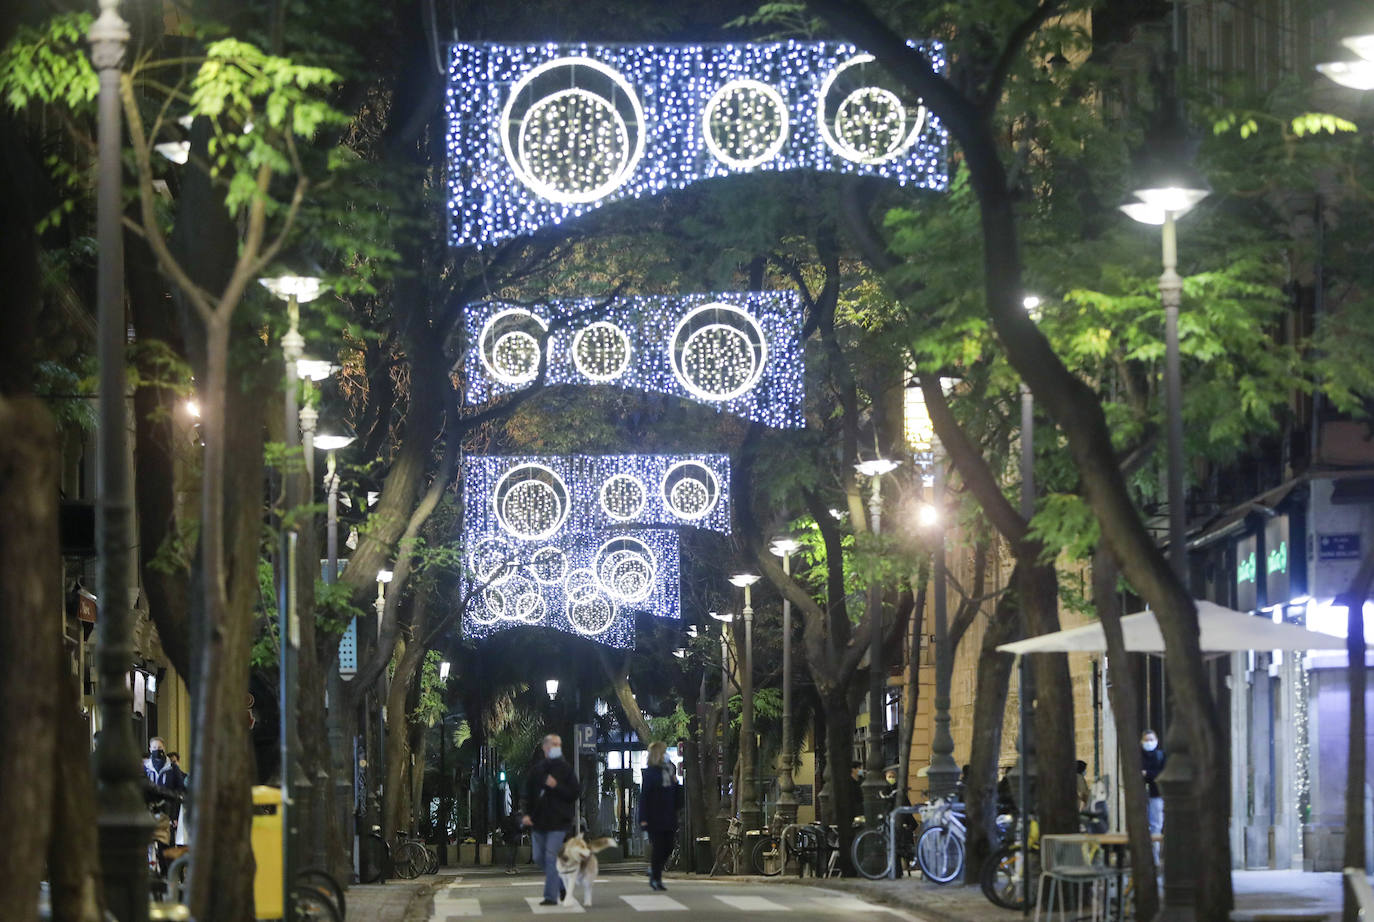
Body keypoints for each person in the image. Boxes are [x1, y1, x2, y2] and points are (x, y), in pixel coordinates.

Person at [521, 734, 579, 906]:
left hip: (559, 822)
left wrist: (556, 786)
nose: (557, 747)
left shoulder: (566, 769)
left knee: (550, 857)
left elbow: (574, 793)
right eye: (554, 744)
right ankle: (561, 884)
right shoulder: (537, 770)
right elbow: (527, 793)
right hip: (538, 821)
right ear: (545, 747)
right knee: (538, 857)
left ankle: (550, 896)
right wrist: (526, 814)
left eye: (558, 744)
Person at [638, 741, 683, 891]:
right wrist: (643, 818)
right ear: (658, 755)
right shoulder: (651, 773)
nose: (666, 756)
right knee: (658, 848)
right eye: (663, 753)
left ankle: (654, 870)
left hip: (669, 815)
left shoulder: (670, 772)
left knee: (669, 847)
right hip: (655, 817)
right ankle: (656, 878)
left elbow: (678, 797)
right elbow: (644, 796)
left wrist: (677, 783)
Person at [143, 737, 186, 872]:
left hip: (167, 813)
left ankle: (169, 873)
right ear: (150, 749)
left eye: (160, 749)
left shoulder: (172, 768)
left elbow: (180, 790)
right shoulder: (145, 768)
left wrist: (174, 812)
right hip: (149, 813)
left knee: (166, 845)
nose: (157, 752)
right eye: (154, 749)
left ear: (164, 749)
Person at [1140, 729, 1166, 859]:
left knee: (1156, 826)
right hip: (1141, 797)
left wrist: (1147, 774)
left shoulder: (1161, 756)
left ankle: (1154, 858)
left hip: (1156, 795)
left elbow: (1161, 774)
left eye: (1151, 739)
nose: (1149, 742)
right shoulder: (1138, 757)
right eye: (1146, 740)